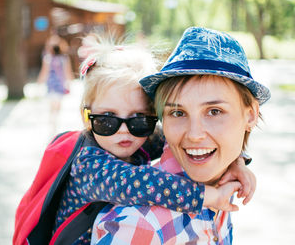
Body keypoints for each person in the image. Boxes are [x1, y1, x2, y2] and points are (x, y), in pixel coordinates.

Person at [53, 35, 256, 244]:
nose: (123, 131)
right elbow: (141, 184)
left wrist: (237, 161)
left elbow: (191, 143)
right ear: (87, 118)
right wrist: (208, 196)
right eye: (107, 120)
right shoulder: (88, 165)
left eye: (139, 120)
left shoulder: (142, 138)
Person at [37, 34, 74, 133]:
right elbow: (68, 72)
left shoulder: (47, 58)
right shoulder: (64, 58)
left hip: (51, 86)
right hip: (60, 86)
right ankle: (54, 122)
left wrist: (39, 81)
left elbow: (44, 72)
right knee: (57, 105)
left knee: (52, 105)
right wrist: (70, 83)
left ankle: (52, 122)